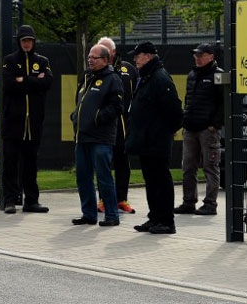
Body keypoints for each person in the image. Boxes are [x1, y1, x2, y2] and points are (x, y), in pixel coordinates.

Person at [125, 41, 183, 234]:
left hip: (157, 140)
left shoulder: (160, 78)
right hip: (146, 140)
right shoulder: (147, 77)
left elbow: (174, 110)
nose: (135, 60)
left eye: (138, 55)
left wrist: (167, 131)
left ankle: (167, 221)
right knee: (151, 180)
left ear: (148, 56)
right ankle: (155, 217)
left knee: (161, 180)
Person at [1, 25, 53, 214]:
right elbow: (9, 85)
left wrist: (25, 80)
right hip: (13, 123)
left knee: (30, 163)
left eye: (30, 40)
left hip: (34, 124)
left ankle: (31, 200)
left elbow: (47, 82)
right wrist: (34, 81)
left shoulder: (43, 61)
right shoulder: (9, 61)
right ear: (19, 41)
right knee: (11, 163)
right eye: (24, 40)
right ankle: (9, 200)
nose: (27, 44)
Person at [70, 44, 124, 226]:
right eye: (89, 57)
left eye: (94, 57)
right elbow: (81, 102)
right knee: (83, 177)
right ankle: (89, 214)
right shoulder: (86, 78)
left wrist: (97, 118)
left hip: (101, 138)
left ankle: (111, 215)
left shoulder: (113, 79)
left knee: (104, 177)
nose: (90, 60)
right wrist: (76, 116)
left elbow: (116, 107)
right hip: (82, 136)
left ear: (105, 60)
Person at [174, 43, 224, 216]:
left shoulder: (219, 75)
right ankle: (188, 202)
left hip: (207, 130)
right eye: (196, 55)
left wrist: (214, 124)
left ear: (211, 56)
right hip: (190, 128)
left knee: (210, 167)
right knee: (188, 167)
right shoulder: (192, 74)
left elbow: (224, 103)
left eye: (201, 55)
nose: (197, 57)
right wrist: (185, 120)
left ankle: (210, 204)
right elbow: (188, 98)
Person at [96, 37, 138, 214]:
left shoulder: (128, 69)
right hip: (104, 127)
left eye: (107, 50)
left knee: (123, 164)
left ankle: (122, 199)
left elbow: (137, 93)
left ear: (113, 52)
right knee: (104, 163)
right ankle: (103, 200)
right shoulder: (95, 71)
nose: (104, 53)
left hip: (124, 127)